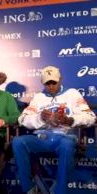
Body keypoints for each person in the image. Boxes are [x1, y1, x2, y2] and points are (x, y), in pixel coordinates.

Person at [12, 66, 96, 194]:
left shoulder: (72, 94)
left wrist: (71, 120)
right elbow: (23, 119)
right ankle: (29, 189)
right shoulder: (39, 97)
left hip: (65, 137)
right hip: (42, 138)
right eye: (47, 83)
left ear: (60, 79)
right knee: (18, 142)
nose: (51, 86)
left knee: (67, 145)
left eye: (54, 82)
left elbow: (91, 117)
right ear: (43, 83)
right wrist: (40, 118)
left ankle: (60, 191)